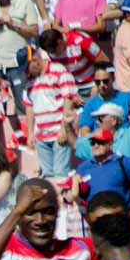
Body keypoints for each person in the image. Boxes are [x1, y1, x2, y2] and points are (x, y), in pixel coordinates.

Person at [74, 128, 130, 216]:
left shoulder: (123, 162)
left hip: (119, 219)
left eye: (100, 142)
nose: (95, 145)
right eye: (93, 142)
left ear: (110, 144)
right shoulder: (84, 167)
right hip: (95, 221)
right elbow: (73, 193)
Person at [23, 50, 77, 179]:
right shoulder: (30, 80)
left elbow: (68, 98)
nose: (25, 71)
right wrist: (30, 133)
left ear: (36, 60)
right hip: (40, 134)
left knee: (60, 173)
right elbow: (29, 107)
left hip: (58, 132)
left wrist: (64, 128)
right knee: (47, 176)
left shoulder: (58, 70)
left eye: (27, 66)